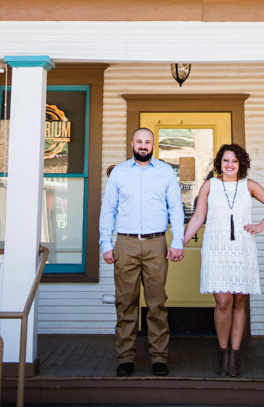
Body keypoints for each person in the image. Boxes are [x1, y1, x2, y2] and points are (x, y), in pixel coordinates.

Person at [183, 143, 264, 378]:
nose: (230, 164)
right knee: (223, 302)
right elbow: (198, 216)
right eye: (226, 160)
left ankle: (234, 356)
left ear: (241, 164)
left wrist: (261, 226)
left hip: (242, 250)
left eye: (235, 161)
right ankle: (222, 351)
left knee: (239, 303)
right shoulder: (209, 185)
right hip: (217, 250)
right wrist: (181, 242)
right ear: (220, 163)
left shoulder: (249, 186)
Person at [99, 128, 185, 377]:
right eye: (139, 141)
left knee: (157, 303)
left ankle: (159, 357)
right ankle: (125, 357)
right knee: (125, 303)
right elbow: (108, 210)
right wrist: (106, 244)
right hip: (124, 243)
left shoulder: (166, 172)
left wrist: (177, 240)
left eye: (148, 142)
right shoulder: (119, 173)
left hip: (156, 243)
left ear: (153, 145)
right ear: (132, 144)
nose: (143, 145)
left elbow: (175, 209)